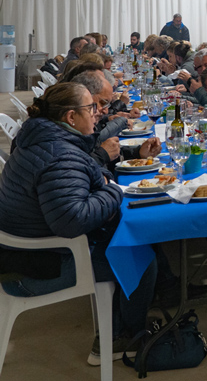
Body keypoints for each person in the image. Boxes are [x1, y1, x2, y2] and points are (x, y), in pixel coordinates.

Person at [0, 83, 157, 363]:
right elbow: (73, 220)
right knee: (139, 256)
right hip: (38, 268)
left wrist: (129, 160)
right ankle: (124, 338)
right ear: (71, 117)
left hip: (27, 255)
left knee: (130, 240)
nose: (98, 114)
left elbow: (84, 175)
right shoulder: (59, 155)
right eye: (91, 108)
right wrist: (113, 191)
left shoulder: (43, 138)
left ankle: (123, 320)